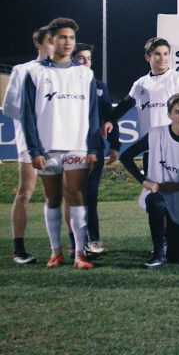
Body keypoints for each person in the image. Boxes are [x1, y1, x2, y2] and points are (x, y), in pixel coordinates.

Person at [20, 17, 99, 269]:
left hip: (76, 146)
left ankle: (79, 254)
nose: (68, 42)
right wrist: (33, 150)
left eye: (72, 38)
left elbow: (92, 115)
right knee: (52, 198)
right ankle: (56, 252)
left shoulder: (84, 74)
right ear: (51, 40)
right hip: (46, 147)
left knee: (76, 195)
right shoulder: (35, 72)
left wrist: (93, 148)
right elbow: (27, 116)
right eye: (63, 37)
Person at [119, 94, 179, 268]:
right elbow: (125, 156)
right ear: (169, 115)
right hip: (156, 194)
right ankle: (158, 254)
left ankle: (177, 239)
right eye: (177, 112)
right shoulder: (156, 134)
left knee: (177, 256)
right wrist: (144, 182)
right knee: (156, 203)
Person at [3, 26, 53, 264]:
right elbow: (9, 107)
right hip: (31, 142)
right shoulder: (22, 70)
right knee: (25, 193)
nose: (55, 44)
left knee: (58, 195)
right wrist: (34, 120)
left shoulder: (66, 72)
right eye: (50, 40)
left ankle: (64, 249)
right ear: (39, 44)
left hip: (59, 142)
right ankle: (18, 250)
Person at [72, 43, 121, 256]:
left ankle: (93, 240)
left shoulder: (99, 86)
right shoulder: (66, 87)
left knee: (90, 196)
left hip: (95, 149)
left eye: (89, 58)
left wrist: (115, 146)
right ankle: (75, 243)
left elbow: (111, 116)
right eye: (81, 58)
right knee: (74, 196)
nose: (86, 62)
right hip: (71, 150)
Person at [104, 37, 179, 139]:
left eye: (165, 54)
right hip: (148, 145)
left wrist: (176, 134)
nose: (162, 58)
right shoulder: (140, 84)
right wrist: (110, 120)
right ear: (147, 57)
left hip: (172, 143)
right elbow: (124, 106)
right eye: (157, 54)